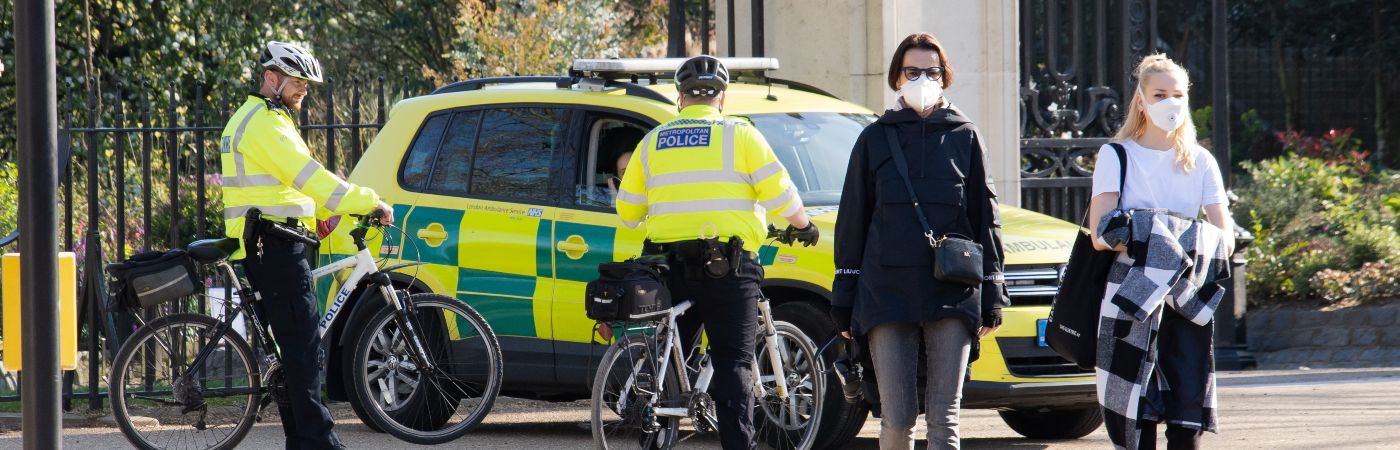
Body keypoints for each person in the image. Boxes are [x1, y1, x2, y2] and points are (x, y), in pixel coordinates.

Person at [614, 54, 818, 450]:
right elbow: (781, 194)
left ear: (680, 97)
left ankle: (654, 431)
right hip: (729, 268)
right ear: (722, 99)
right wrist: (803, 226)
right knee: (734, 365)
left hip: (670, 266)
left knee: (669, 361)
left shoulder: (654, 140)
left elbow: (627, 213)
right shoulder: (739, 135)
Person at [830, 32, 1008, 450]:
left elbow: (987, 217)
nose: (923, 78)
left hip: (951, 291)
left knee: (945, 420)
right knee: (897, 418)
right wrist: (844, 298)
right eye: (913, 71)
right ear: (896, 78)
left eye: (932, 71)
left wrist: (993, 293)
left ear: (945, 77)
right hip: (886, 294)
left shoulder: (964, 135)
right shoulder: (875, 138)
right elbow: (852, 221)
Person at [220, 41, 392, 450]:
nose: (305, 90)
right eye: (299, 82)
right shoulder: (265, 123)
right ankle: (319, 441)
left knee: (292, 350)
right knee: (302, 346)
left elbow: (286, 188)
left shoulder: (258, 118)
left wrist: (323, 215)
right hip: (274, 246)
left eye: (308, 84)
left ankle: (301, 440)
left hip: (269, 243)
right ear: (272, 77)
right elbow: (311, 178)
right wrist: (370, 201)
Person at [1087, 54, 1232, 450]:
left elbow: (1224, 236)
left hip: (1186, 299)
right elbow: (1100, 233)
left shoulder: (1201, 160)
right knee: (1137, 418)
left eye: (1178, 95)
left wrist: (1154, 232)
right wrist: (1165, 234)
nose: (1170, 102)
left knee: (1187, 423)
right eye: (1159, 94)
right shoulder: (1116, 155)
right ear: (1141, 100)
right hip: (1133, 299)